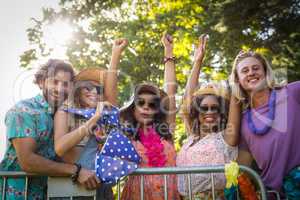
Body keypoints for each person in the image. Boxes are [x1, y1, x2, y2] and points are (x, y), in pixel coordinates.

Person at [0, 59, 99, 200]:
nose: (60, 89)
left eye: (65, 84)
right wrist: (76, 171)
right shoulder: (23, 111)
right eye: (55, 82)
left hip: (45, 194)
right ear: (41, 82)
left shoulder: (63, 116)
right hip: (16, 194)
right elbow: (27, 161)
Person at [54, 39, 128, 199]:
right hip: (72, 188)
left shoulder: (105, 114)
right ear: (78, 90)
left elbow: (112, 89)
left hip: (100, 189)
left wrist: (115, 53)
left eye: (98, 89)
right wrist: (93, 119)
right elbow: (59, 148)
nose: (93, 91)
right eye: (87, 87)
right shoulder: (65, 113)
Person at [176, 35, 241, 199]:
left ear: (222, 113)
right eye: (204, 108)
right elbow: (187, 100)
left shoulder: (226, 138)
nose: (210, 112)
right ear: (197, 114)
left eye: (215, 108)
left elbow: (236, 101)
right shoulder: (192, 136)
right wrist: (197, 61)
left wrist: (237, 73)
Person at [230, 50, 300, 199]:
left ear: (265, 71)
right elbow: (243, 167)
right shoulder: (243, 121)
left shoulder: (292, 92)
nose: (251, 73)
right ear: (238, 80)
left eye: (256, 68)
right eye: (245, 71)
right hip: (272, 195)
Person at [120, 33, 180, 200]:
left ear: (157, 110)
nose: (146, 107)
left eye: (152, 104)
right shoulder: (127, 137)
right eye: (141, 103)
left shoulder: (165, 131)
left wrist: (168, 51)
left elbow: (170, 92)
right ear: (133, 109)